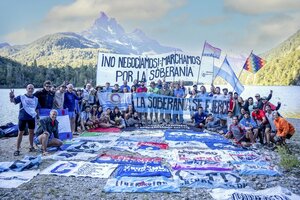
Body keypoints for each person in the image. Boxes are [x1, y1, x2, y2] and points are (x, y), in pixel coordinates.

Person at [9, 84, 40, 156]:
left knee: (31, 133)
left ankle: (31, 146)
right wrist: (11, 96)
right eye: (29, 88)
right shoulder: (22, 97)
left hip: (31, 118)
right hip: (22, 118)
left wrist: (37, 117)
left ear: (33, 89)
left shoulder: (35, 99)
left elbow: (37, 109)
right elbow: (13, 101)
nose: (30, 90)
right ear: (26, 89)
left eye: (32, 88)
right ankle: (17, 149)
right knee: (20, 133)